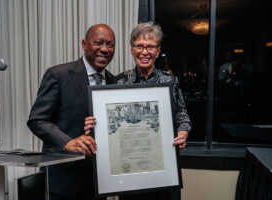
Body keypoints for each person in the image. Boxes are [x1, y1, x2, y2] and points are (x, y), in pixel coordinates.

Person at [85, 22, 191, 200]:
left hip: (164, 170)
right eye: (139, 46)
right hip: (130, 175)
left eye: (150, 47)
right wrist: (95, 125)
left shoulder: (170, 81)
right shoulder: (118, 82)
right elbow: (108, 123)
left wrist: (182, 134)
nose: (144, 52)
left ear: (158, 51)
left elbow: (183, 115)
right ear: (132, 49)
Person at [27, 24, 116, 200]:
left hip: (98, 184)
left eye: (110, 45)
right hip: (62, 182)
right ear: (84, 44)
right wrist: (67, 142)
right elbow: (37, 120)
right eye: (98, 43)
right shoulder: (58, 75)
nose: (104, 49)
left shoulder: (114, 81)